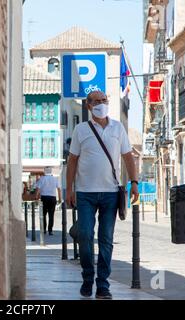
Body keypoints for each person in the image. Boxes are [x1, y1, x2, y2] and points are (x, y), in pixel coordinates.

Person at [66, 90, 139, 300]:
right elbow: (72, 161)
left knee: (106, 239)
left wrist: (134, 183)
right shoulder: (81, 130)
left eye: (104, 100)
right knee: (86, 236)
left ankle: (103, 285)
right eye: (96, 101)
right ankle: (88, 277)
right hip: (85, 193)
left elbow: (127, 156)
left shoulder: (118, 128)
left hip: (110, 193)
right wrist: (69, 189)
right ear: (89, 106)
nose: (101, 104)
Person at [35, 167, 61, 235]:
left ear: (44, 171)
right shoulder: (55, 179)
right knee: (51, 215)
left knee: (43, 215)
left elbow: (38, 189)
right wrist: (60, 198)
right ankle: (50, 230)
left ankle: (44, 230)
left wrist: (36, 197)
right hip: (52, 198)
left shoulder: (42, 178)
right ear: (51, 171)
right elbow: (58, 189)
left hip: (44, 198)